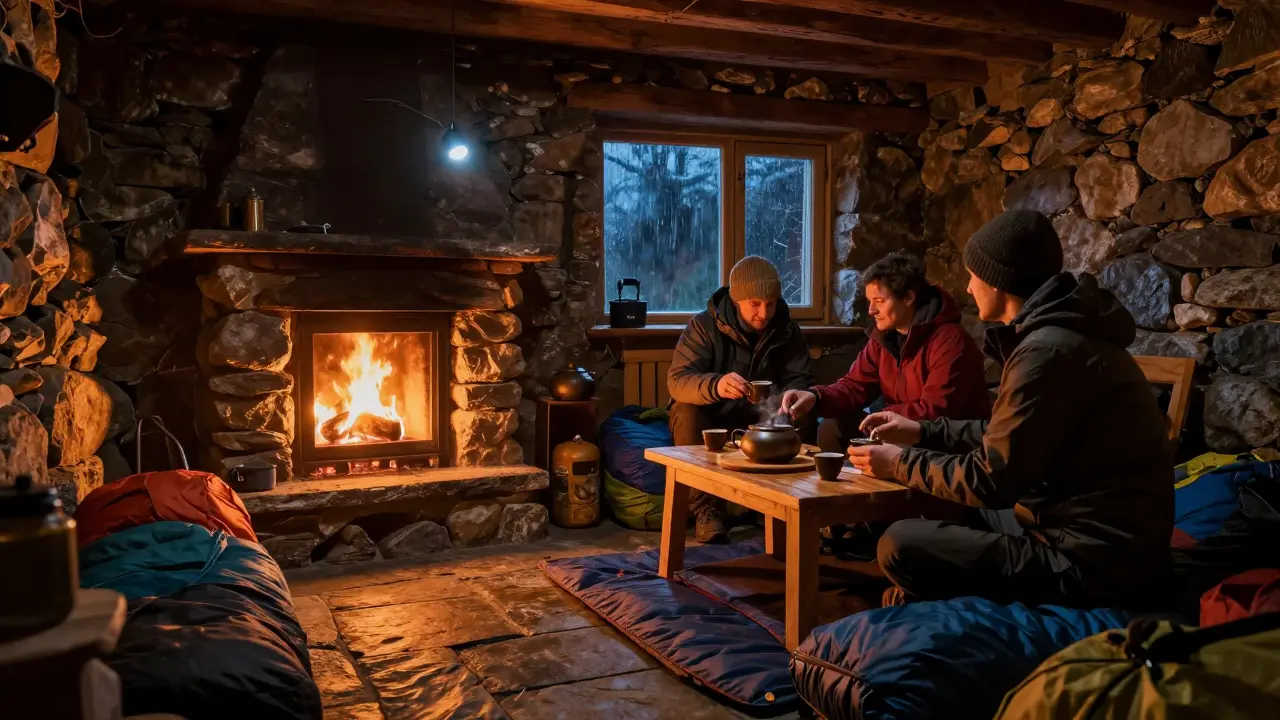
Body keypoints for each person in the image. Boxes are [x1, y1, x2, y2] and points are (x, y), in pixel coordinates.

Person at [849, 210, 1173, 608]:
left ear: (999, 281)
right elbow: (1009, 431)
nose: (968, 289)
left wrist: (899, 463)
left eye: (973, 276)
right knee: (948, 511)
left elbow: (990, 480)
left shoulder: (1049, 350)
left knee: (899, 544)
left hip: (1089, 560)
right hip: (1060, 520)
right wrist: (921, 432)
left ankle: (944, 601)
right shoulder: (1056, 337)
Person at [780, 251, 990, 453]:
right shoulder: (884, 338)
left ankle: (875, 487)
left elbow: (935, 412)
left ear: (908, 298)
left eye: (879, 301)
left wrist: (882, 416)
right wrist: (814, 396)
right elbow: (854, 387)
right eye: (870, 301)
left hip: (937, 441)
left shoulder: (950, 340)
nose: (871, 310)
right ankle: (847, 488)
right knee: (832, 426)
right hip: (895, 427)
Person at [668, 256, 815, 543]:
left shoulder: (787, 330)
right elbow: (677, 380)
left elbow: (802, 379)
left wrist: (788, 398)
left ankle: (783, 502)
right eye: (755, 304)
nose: (764, 312)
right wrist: (716, 385)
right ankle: (706, 510)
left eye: (771, 303)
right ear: (737, 300)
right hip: (715, 415)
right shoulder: (703, 326)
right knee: (685, 410)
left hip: (763, 419)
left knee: (807, 410)